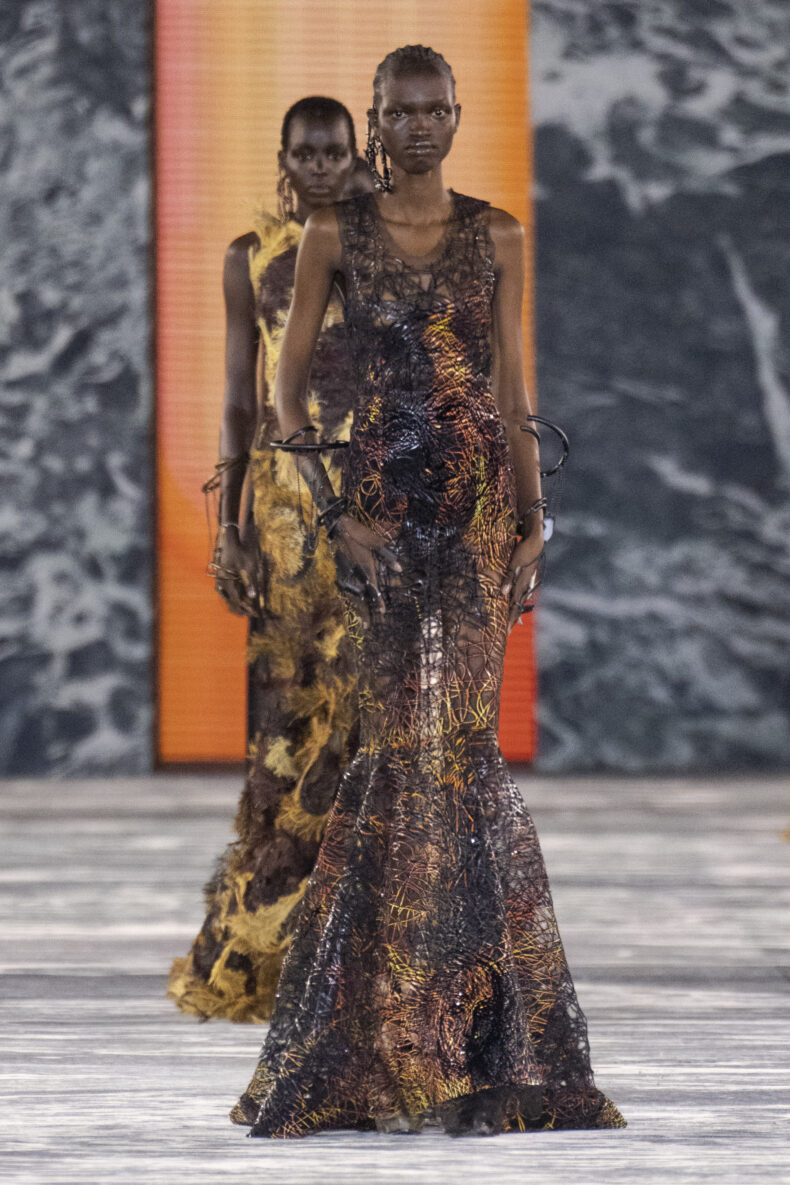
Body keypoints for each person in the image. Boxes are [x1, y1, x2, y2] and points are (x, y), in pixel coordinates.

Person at [231, 46, 626, 1137]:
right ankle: (380, 1042)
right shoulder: (333, 232)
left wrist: (536, 519)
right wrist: (335, 515)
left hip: (479, 516)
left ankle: (481, 1040)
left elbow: (508, 384)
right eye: (398, 111)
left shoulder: (498, 235)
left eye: (433, 109)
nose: (417, 125)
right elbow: (287, 394)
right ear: (375, 121)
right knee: (401, 752)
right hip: (382, 517)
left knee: (461, 755)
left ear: (456, 117)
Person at [167, 98, 369, 1025]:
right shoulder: (251, 258)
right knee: (292, 731)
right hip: (289, 526)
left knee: (368, 722)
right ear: (283, 159)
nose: (320, 165)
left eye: (334, 151)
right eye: (305, 153)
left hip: (375, 510)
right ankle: (269, 950)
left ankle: (363, 957)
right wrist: (231, 526)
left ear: (356, 154)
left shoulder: (387, 249)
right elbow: (238, 399)